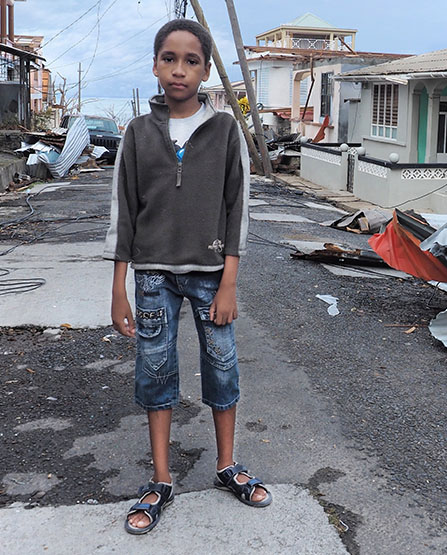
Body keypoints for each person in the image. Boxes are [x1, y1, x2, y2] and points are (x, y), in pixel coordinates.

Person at [103, 18, 269, 536]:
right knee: (155, 372)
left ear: (205, 69)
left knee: (222, 366)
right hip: (153, 276)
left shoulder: (223, 130)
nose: (179, 70)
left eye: (191, 60)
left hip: (210, 274)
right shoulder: (136, 132)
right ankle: (160, 478)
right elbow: (123, 212)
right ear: (155, 66)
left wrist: (230, 282)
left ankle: (226, 466)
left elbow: (237, 207)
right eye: (169, 59)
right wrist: (118, 290)